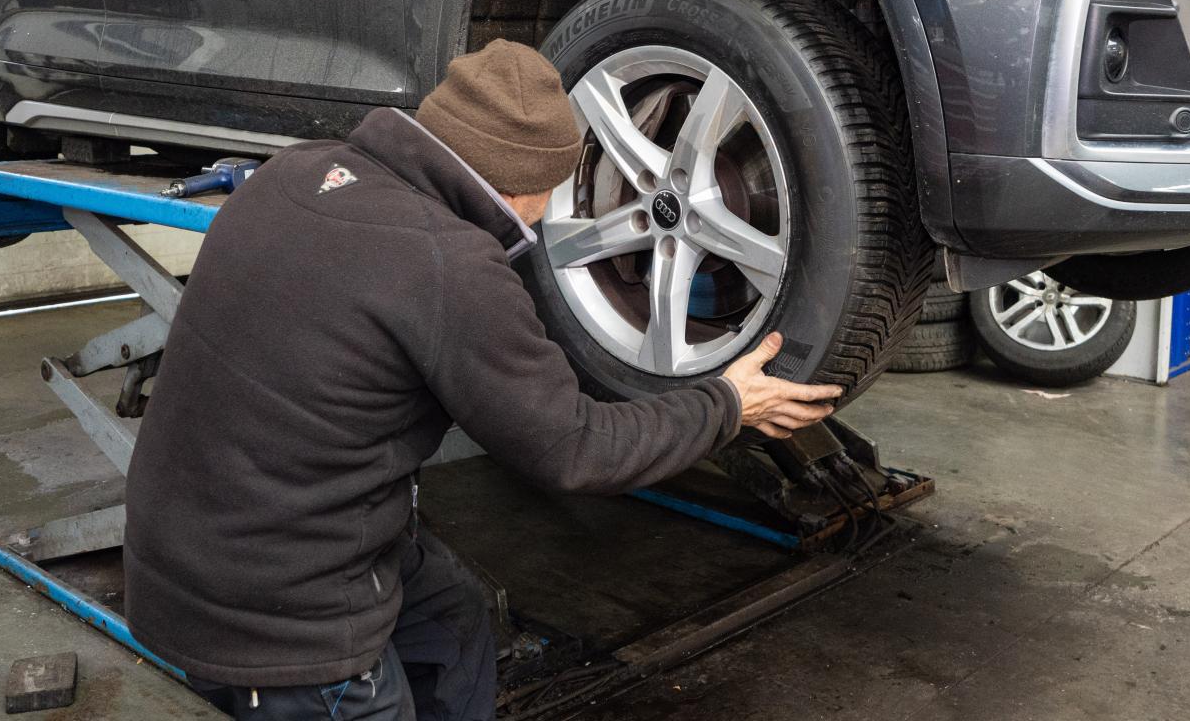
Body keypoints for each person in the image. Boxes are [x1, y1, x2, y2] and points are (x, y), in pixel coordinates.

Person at [124, 39, 842, 720]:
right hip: (279, 618)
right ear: (519, 183)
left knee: (453, 618)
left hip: (184, 549)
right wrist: (726, 403)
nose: (550, 212)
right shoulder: (449, 263)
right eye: (551, 189)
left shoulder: (294, 171)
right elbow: (576, 449)